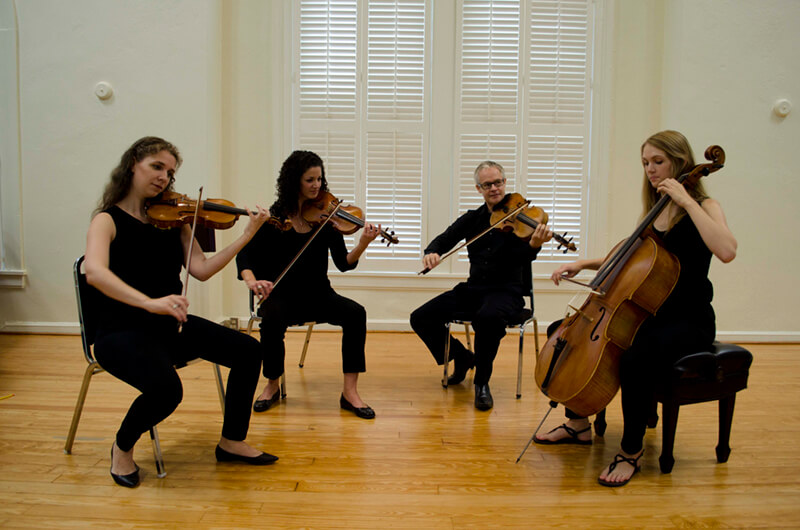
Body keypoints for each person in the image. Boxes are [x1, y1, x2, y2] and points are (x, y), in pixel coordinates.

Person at [533, 130, 737, 487]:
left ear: (680, 161)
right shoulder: (655, 212)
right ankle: (578, 423)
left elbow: (727, 251)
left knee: (635, 358)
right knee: (563, 333)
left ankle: (631, 451)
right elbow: (631, 260)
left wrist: (687, 202)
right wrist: (583, 264)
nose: (651, 170)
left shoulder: (705, 207)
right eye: (646, 163)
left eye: (658, 161)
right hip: (647, 312)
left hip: (688, 319)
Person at [84, 136, 278, 489]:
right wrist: (149, 302)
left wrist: (247, 234)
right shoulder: (107, 220)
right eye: (156, 166)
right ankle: (122, 447)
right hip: (119, 333)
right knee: (167, 390)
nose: (164, 177)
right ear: (132, 165)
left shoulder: (174, 220)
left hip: (168, 327)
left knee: (249, 351)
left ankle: (231, 441)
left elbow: (201, 269)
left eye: (170, 172)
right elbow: (94, 272)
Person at [236, 150, 380, 419]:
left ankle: (350, 392)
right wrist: (252, 281)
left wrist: (362, 243)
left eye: (319, 180)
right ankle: (272, 385)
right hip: (280, 295)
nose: (317, 186)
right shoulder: (275, 218)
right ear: (294, 181)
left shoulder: (327, 217)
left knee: (355, 313)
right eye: (310, 180)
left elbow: (343, 263)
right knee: (272, 317)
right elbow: (245, 255)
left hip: (318, 295)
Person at [410, 161, 552, 411]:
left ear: (505, 183)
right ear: (479, 189)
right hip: (474, 289)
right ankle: (463, 357)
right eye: (488, 184)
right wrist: (432, 252)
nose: (494, 188)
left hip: (507, 292)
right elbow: (446, 238)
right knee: (420, 317)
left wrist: (534, 245)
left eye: (498, 182)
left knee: (487, 318)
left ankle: (482, 382)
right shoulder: (473, 219)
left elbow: (523, 258)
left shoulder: (521, 218)